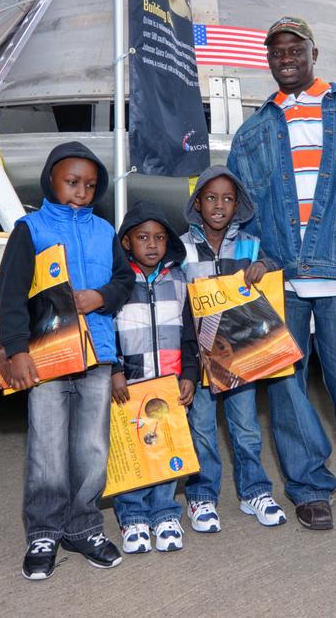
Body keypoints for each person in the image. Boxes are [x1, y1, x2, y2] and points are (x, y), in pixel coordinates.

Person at [227, 16, 336, 530]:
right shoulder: (253, 131)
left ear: (313, 52)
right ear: (269, 59)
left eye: (295, 48)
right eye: (276, 50)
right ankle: (308, 487)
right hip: (279, 279)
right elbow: (239, 210)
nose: (286, 57)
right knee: (286, 387)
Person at [0, 142, 135, 581]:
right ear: (51, 181)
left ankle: (84, 526)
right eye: (72, 182)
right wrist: (17, 350)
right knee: (48, 449)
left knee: (92, 448)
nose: (81, 191)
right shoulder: (30, 229)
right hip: (45, 359)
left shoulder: (104, 231)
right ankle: (43, 532)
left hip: (97, 356)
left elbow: (124, 281)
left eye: (90, 185)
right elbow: (11, 294)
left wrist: (101, 297)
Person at [179, 166, 287, 533]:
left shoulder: (249, 245)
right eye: (211, 197)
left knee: (245, 429)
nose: (219, 205)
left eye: (227, 198)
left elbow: (276, 264)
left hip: (242, 355)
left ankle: (254, 491)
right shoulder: (182, 247)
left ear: (237, 205)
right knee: (203, 429)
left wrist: (263, 265)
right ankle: (202, 496)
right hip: (199, 356)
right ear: (197, 204)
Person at [110, 201, 198, 554]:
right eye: (143, 237)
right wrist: (114, 371)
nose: (151, 244)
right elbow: (106, 332)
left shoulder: (178, 280)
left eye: (159, 238)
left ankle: (165, 513)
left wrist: (190, 374)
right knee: (132, 452)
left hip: (170, 385)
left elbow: (190, 333)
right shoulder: (116, 283)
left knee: (167, 449)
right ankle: (132, 517)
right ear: (127, 242)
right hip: (129, 385)